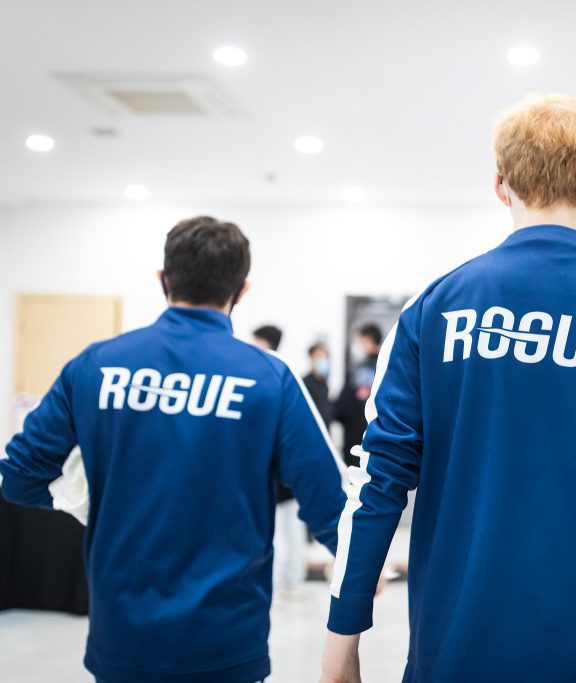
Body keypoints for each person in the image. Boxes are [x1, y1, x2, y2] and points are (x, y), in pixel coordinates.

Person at [319, 94, 576, 683]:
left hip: (458, 656)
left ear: (500, 184)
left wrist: (342, 642)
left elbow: (377, 485)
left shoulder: (432, 311)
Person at [0, 216, 346, 683]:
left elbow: (19, 478)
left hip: (122, 638)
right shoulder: (268, 378)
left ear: (163, 279)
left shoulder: (95, 366)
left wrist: (89, 504)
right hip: (226, 641)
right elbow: (329, 505)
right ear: (242, 290)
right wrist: (361, 579)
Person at [252, 324, 308, 597]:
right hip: (282, 475)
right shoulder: (283, 374)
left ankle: (286, 582)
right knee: (287, 533)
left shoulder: (273, 375)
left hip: (278, 477)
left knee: (282, 535)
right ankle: (289, 581)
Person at [335, 323, 383, 467]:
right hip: (369, 434)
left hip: (362, 433)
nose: (358, 345)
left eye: (360, 341)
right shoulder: (385, 364)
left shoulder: (370, 367)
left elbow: (345, 403)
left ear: (369, 340)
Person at [304, 342, 334, 426]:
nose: (323, 360)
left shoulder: (324, 384)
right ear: (312, 358)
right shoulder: (305, 383)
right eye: (319, 356)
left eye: (325, 357)